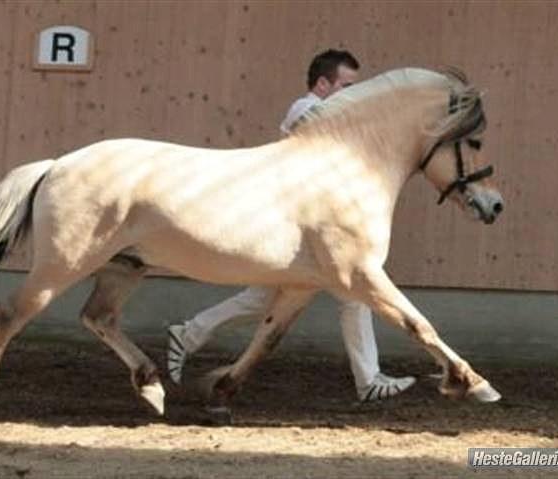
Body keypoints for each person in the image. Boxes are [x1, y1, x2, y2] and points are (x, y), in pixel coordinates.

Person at [167, 49, 415, 402]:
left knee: (269, 299)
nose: (352, 94)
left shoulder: (332, 114)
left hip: (311, 231)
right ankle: (368, 379)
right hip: (294, 231)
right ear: (322, 83)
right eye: (346, 86)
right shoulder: (304, 110)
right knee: (346, 299)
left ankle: (189, 334)